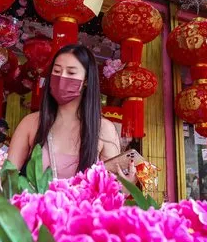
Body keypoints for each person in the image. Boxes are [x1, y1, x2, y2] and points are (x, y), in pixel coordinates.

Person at [8, 44, 135, 180]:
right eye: (56, 71)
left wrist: (126, 186)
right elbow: (8, 178)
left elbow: (110, 187)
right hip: (36, 201)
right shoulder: (30, 123)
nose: (62, 77)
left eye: (71, 73)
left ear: (86, 79)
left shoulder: (104, 129)